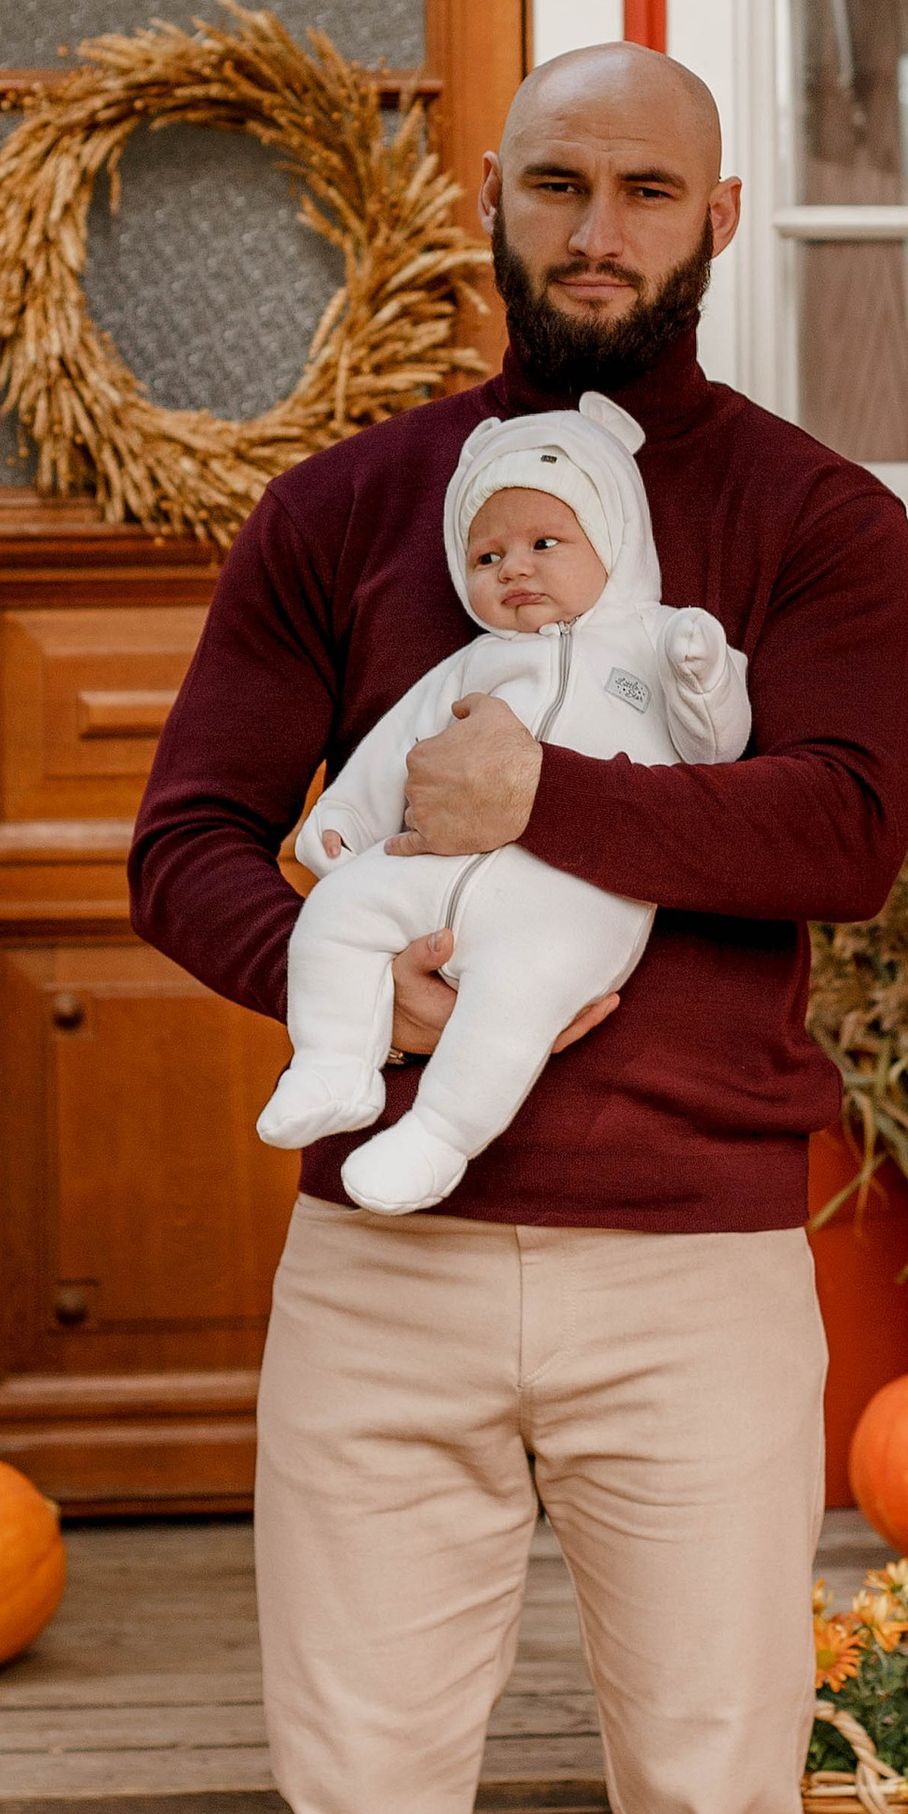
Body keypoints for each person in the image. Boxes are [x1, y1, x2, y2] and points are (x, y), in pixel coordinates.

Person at [130, 44, 908, 1814]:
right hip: (378, 1269)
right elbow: (186, 838)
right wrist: (336, 979)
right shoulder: (347, 512)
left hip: (691, 1275)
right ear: (486, 199)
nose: (598, 228)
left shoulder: (808, 514)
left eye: (644, 189)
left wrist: (539, 800)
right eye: (558, 180)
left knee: (709, 1808)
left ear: (716, 215)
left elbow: (842, 820)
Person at [257, 390, 752, 1215]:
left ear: (614, 544)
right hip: (437, 872)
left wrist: (704, 670)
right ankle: (332, 1063)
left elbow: (715, 747)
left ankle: (437, 1137)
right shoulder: (475, 664)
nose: (514, 568)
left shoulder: (654, 639)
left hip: (568, 904)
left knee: (514, 1002)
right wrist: (344, 824)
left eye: (545, 543)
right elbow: (402, 746)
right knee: (335, 912)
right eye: (487, 558)